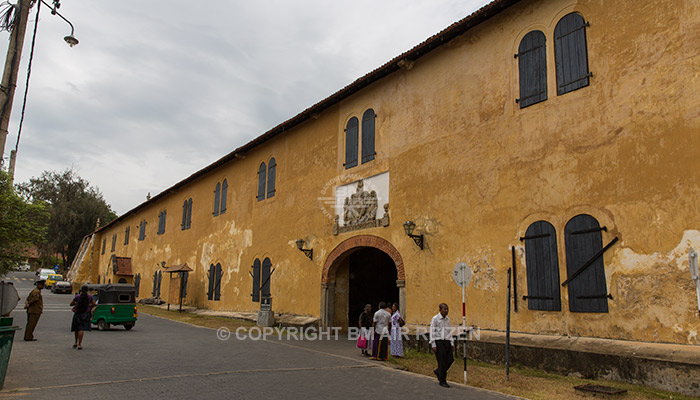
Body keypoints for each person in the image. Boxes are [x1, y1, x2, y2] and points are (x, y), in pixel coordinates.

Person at [430, 303, 454, 388]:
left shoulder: (447, 319)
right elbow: (432, 331)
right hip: (439, 341)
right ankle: (442, 380)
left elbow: (449, 331)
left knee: (450, 359)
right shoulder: (435, 319)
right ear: (440, 310)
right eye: (444, 309)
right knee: (442, 360)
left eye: (447, 309)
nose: (446, 311)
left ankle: (439, 371)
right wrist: (433, 344)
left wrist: (452, 343)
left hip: (446, 341)